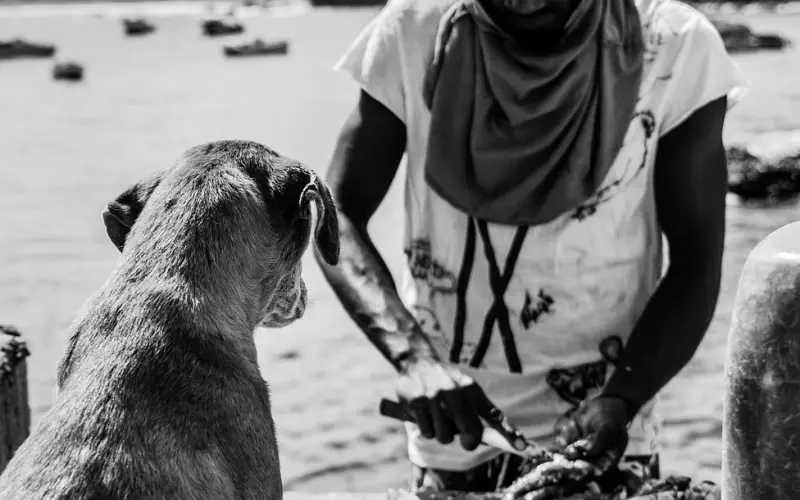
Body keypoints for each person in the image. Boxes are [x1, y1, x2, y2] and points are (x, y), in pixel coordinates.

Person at [315, 0, 746, 493]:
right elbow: (337, 215)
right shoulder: (414, 32)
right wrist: (415, 361)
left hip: (607, 438)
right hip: (453, 436)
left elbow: (696, 257)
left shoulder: (674, 46)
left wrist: (623, 398)